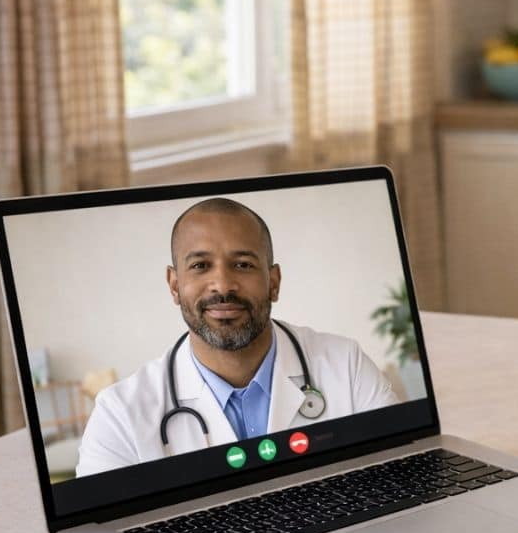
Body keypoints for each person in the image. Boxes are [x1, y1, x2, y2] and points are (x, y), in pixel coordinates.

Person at [76, 198, 400, 477]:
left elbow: (400, 473)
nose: (222, 285)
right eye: (200, 265)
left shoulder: (346, 366)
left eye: (243, 265)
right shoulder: (119, 415)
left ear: (274, 282)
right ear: (174, 285)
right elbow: (103, 526)